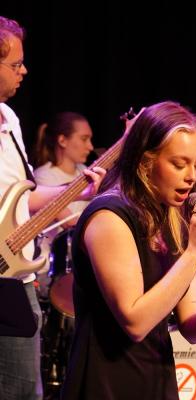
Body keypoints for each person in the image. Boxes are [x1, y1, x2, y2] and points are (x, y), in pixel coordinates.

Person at [61, 101, 196, 400]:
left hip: (156, 382)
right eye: (179, 164)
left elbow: (192, 330)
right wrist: (194, 253)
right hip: (106, 384)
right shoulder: (109, 217)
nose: (191, 176)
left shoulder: (173, 219)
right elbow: (135, 322)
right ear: (145, 162)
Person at [0, 16, 105, 400]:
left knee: (26, 388)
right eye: (15, 64)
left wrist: (81, 190)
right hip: (7, 273)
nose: (24, 70)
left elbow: (22, 196)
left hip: (16, 269)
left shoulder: (9, 119)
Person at [32, 112, 94, 283]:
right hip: (53, 270)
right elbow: (70, 223)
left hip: (81, 262)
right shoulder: (43, 177)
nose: (90, 146)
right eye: (84, 139)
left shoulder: (85, 172)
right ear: (62, 141)